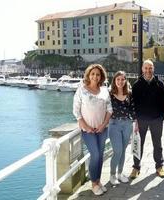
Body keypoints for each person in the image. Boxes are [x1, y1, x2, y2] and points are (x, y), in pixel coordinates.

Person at [73, 64, 112, 195]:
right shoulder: (81, 90)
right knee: (95, 155)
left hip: (102, 129)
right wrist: (86, 126)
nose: (95, 76)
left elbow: (109, 110)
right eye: (93, 74)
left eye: (98, 74)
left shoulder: (104, 90)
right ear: (88, 75)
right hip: (88, 130)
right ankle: (93, 183)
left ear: (101, 77)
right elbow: (76, 111)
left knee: (100, 156)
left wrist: (103, 125)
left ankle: (98, 180)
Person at [130, 59, 164, 179]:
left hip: (156, 119)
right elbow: (133, 104)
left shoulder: (159, 83)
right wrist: (135, 119)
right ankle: (136, 167)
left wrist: (162, 116)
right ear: (142, 69)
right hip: (141, 120)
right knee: (138, 144)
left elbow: (163, 102)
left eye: (150, 68)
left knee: (157, 144)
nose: (148, 70)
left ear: (153, 69)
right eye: (146, 68)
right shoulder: (136, 85)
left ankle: (159, 166)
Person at [108, 71, 136, 185]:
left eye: (122, 79)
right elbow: (104, 110)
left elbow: (133, 109)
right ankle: (112, 174)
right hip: (114, 124)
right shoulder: (109, 94)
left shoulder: (129, 93)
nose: (120, 81)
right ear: (114, 80)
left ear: (125, 81)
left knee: (123, 151)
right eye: (118, 79)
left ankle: (120, 173)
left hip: (127, 124)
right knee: (117, 151)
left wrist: (136, 123)